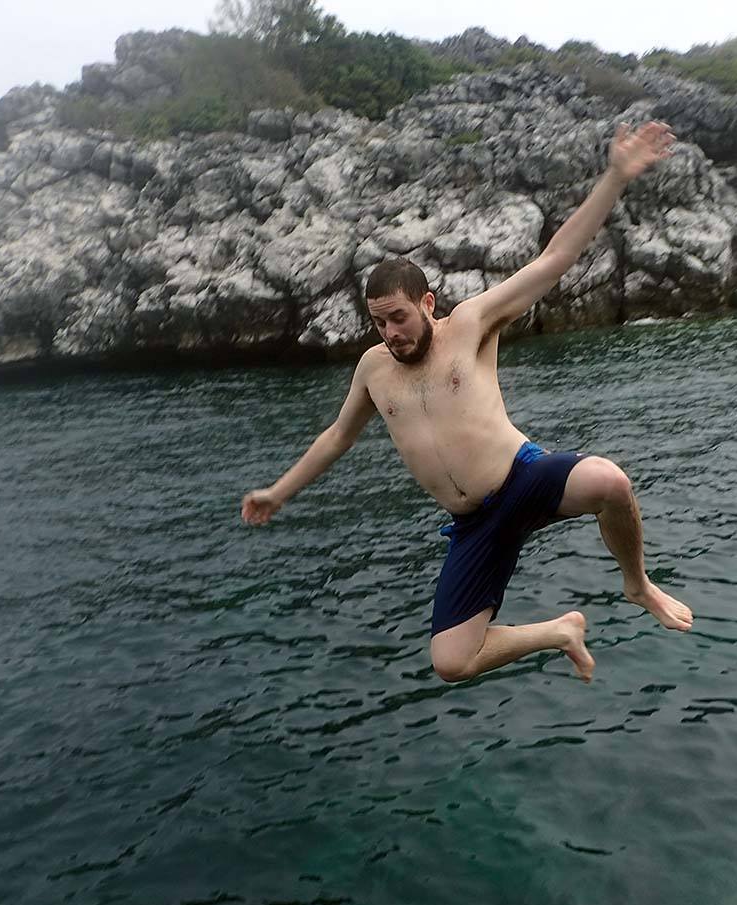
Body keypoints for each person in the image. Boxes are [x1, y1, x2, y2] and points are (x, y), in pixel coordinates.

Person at [242, 121, 693, 684]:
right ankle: (560, 631)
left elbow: (553, 259)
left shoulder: (471, 324)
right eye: (378, 322)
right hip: (473, 523)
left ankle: (637, 583)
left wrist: (615, 176)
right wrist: (278, 493)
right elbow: (338, 437)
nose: (390, 333)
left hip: (522, 478)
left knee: (611, 483)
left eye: (399, 318)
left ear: (427, 303)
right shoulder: (374, 370)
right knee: (451, 662)